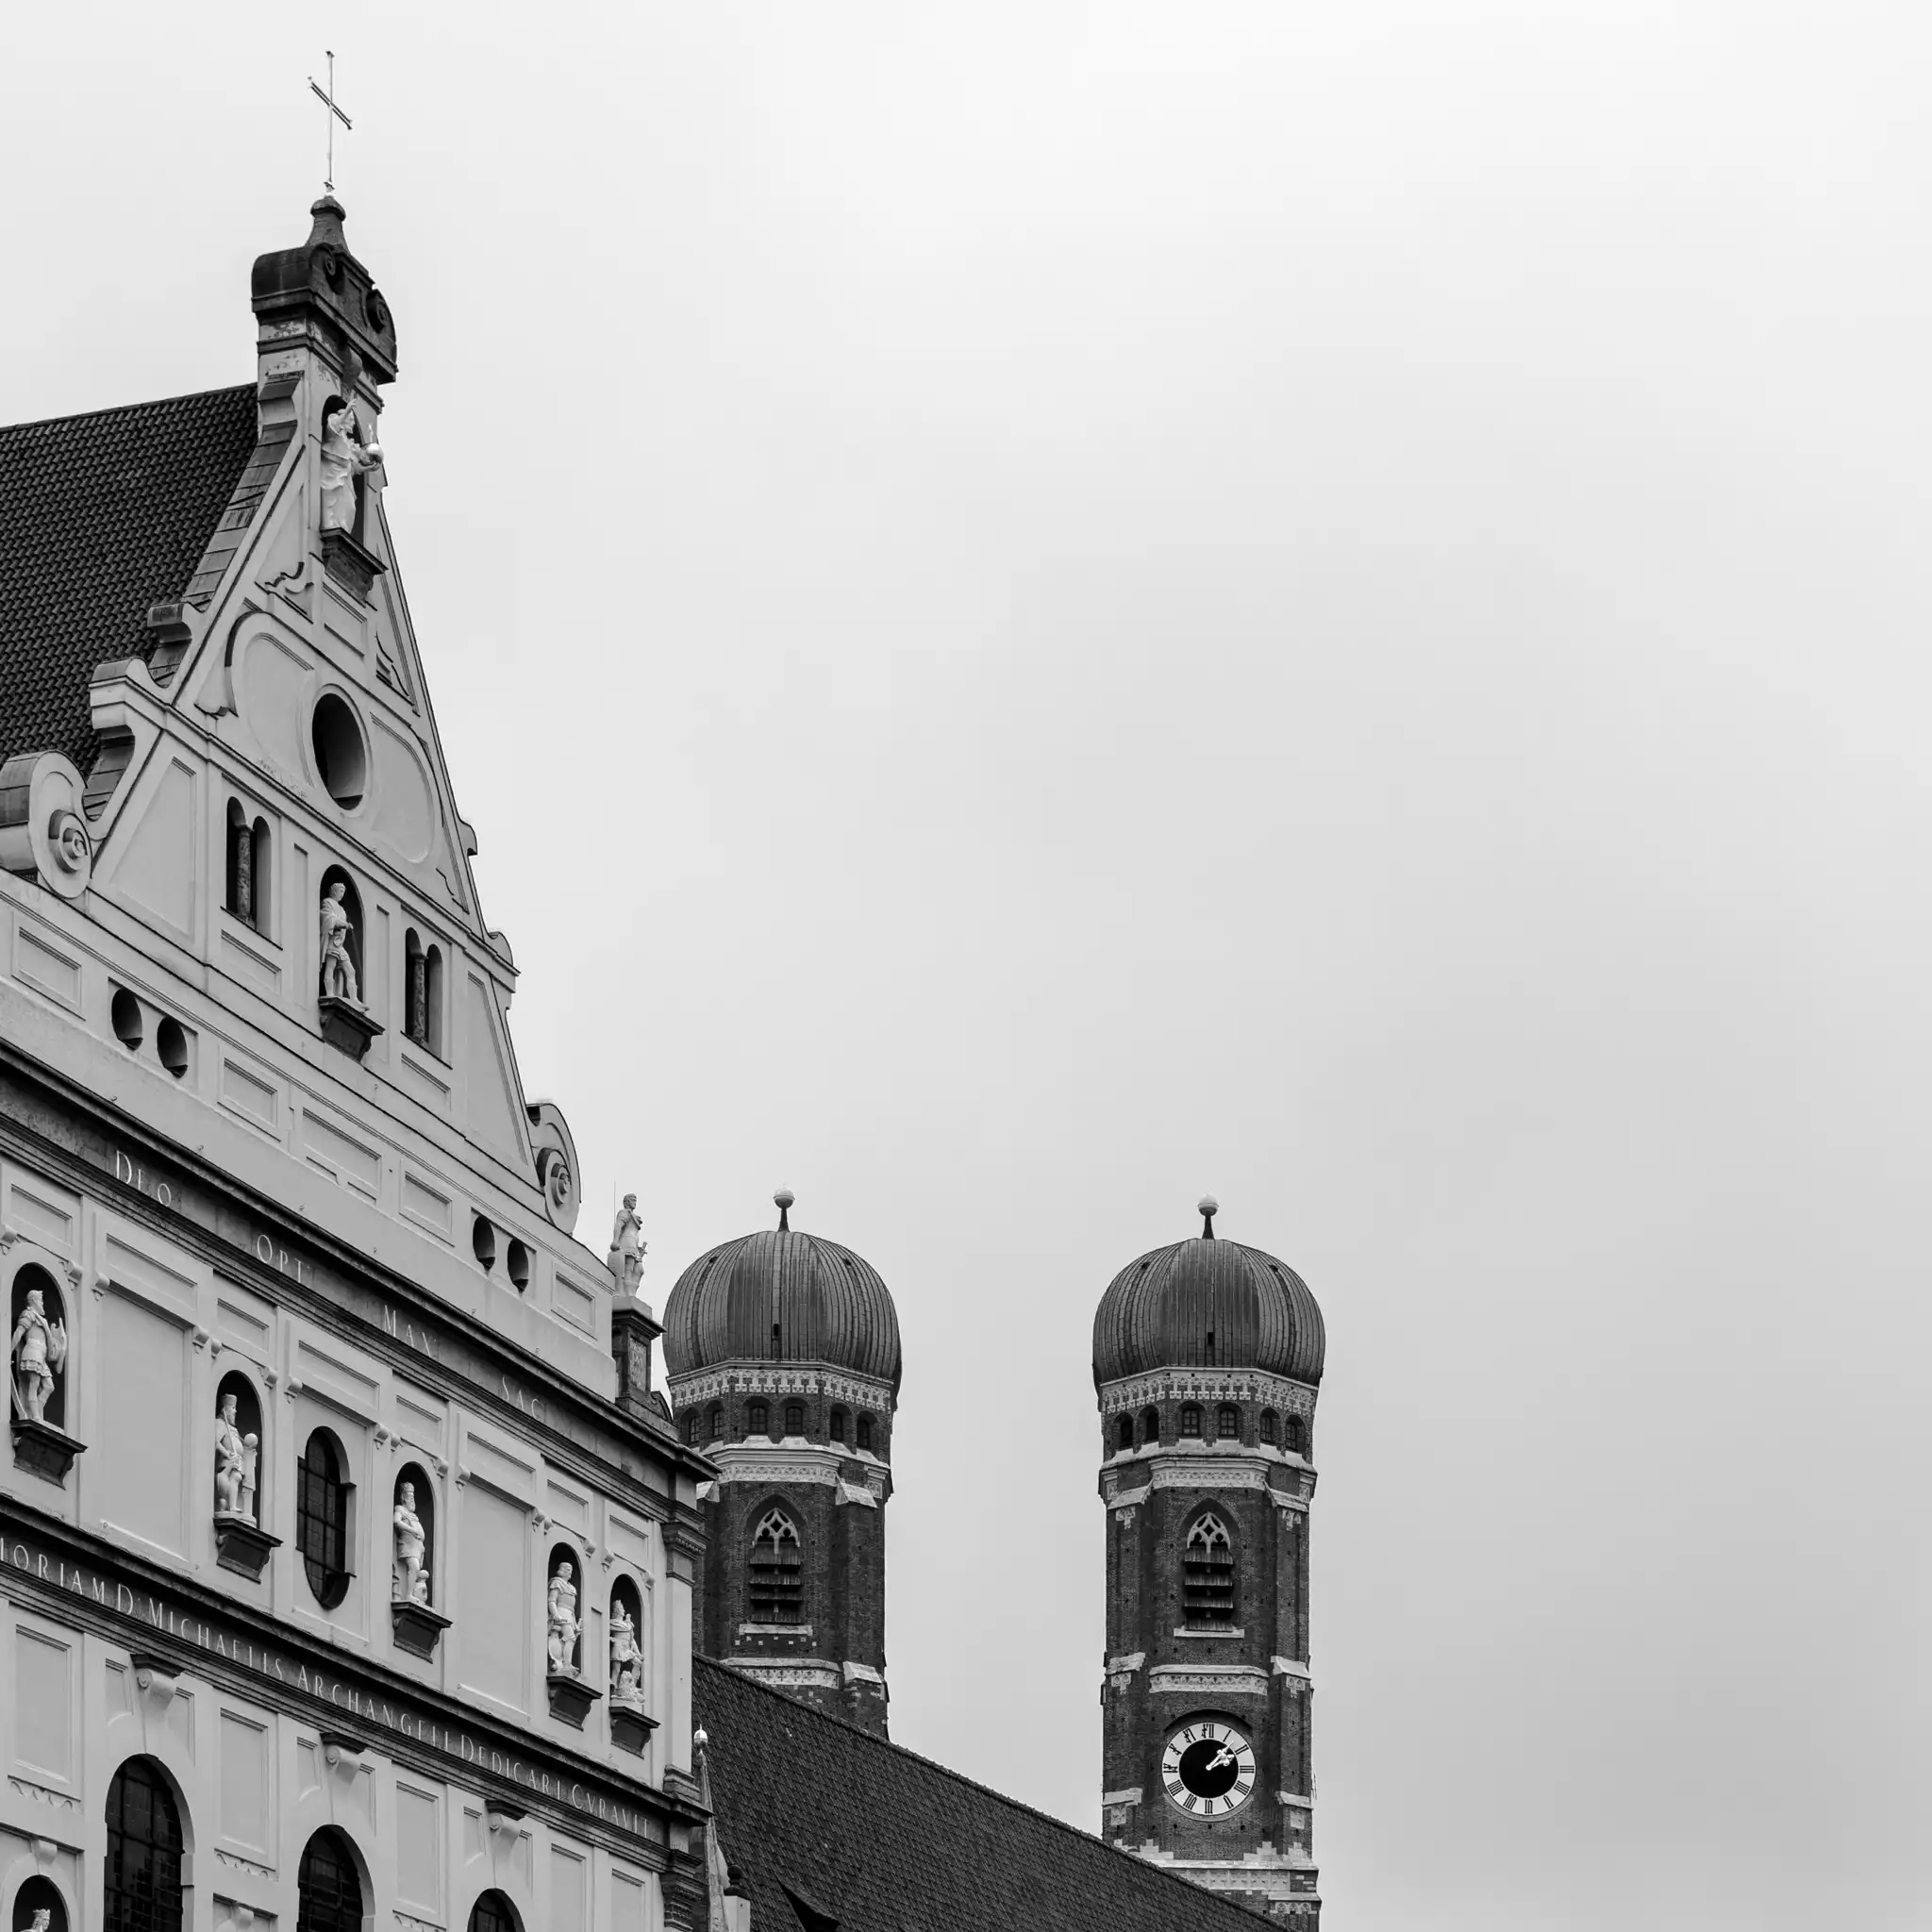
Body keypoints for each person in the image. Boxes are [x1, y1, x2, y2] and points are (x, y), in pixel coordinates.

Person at [319, 397, 383, 535]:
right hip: (332, 477)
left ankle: (341, 531)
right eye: (351, 420)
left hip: (344, 480)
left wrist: (366, 468)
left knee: (349, 508)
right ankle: (331, 527)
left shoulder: (347, 441)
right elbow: (332, 427)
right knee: (333, 507)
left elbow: (352, 466)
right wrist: (347, 410)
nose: (353, 424)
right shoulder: (335, 429)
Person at [9, 1288, 65, 1424]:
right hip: (32, 1352)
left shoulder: (41, 1319)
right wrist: (8, 1352)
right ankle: (35, 1417)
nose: (42, 1304)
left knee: (49, 1386)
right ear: (33, 1301)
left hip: (41, 1356)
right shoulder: (29, 1315)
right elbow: (18, 1333)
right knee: (33, 1385)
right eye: (40, 1301)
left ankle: (36, 1412)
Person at [319, 882, 358, 1003]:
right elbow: (328, 917)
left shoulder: (341, 909)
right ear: (334, 891)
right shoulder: (327, 902)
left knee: (351, 971)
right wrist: (344, 924)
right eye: (340, 891)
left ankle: (354, 999)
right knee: (330, 967)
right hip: (331, 941)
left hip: (339, 944)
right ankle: (330, 993)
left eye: (343, 892)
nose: (342, 894)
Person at [393, 1483, 427, 1604]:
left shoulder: (414, 1516)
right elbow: (397, 1522)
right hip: (407, 1546)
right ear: (403, 1497)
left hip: (417, 1549)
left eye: (413, 1497)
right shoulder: (400, 1509)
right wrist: (412, 1530)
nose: (412, 1499)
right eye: (409, 1496)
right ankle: (408, 1594)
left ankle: (415, 1593)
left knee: (416, 1570)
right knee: (414, 1567)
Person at [215, 1391, 248, 1516]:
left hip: (236, 1462)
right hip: (225, 1465)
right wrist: (228, 1455)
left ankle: (233, 1506)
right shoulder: (220, 1423)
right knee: (227, 1487)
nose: (235, 1411)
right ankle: (228, 1505)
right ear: (226, 1410)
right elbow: (216, 1442)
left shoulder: (233, 1429)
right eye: (233, 1408)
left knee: (237, 1478)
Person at [547, 1560, 580, 1674]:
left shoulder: (572, 1587)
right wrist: (555, 1615)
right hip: (561, 1612)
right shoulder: (557, 1582)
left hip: (570, 1614)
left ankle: (567, 1663)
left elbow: (572, 1609)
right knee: (570, 1638)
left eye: (571, 1570)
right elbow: (552, 1600)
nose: (570, 1572)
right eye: (568, 1570)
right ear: (562, 1570)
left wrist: (575, 1624)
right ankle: (567, 1664)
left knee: (571, 1638)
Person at [609, 1599, 642, 1706]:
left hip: (627, 1649)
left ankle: (631, 1687)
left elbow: (632, 1640)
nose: (623, 1610)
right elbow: (604, 1631)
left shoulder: (627, 1624)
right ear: (617, 1611)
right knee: (616, 1669)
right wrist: (609, 1638)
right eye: (621, 1608)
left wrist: (638, 1653)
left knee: (637, 1663)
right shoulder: (612, 1622)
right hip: (618, 1646)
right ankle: (613, 1689)